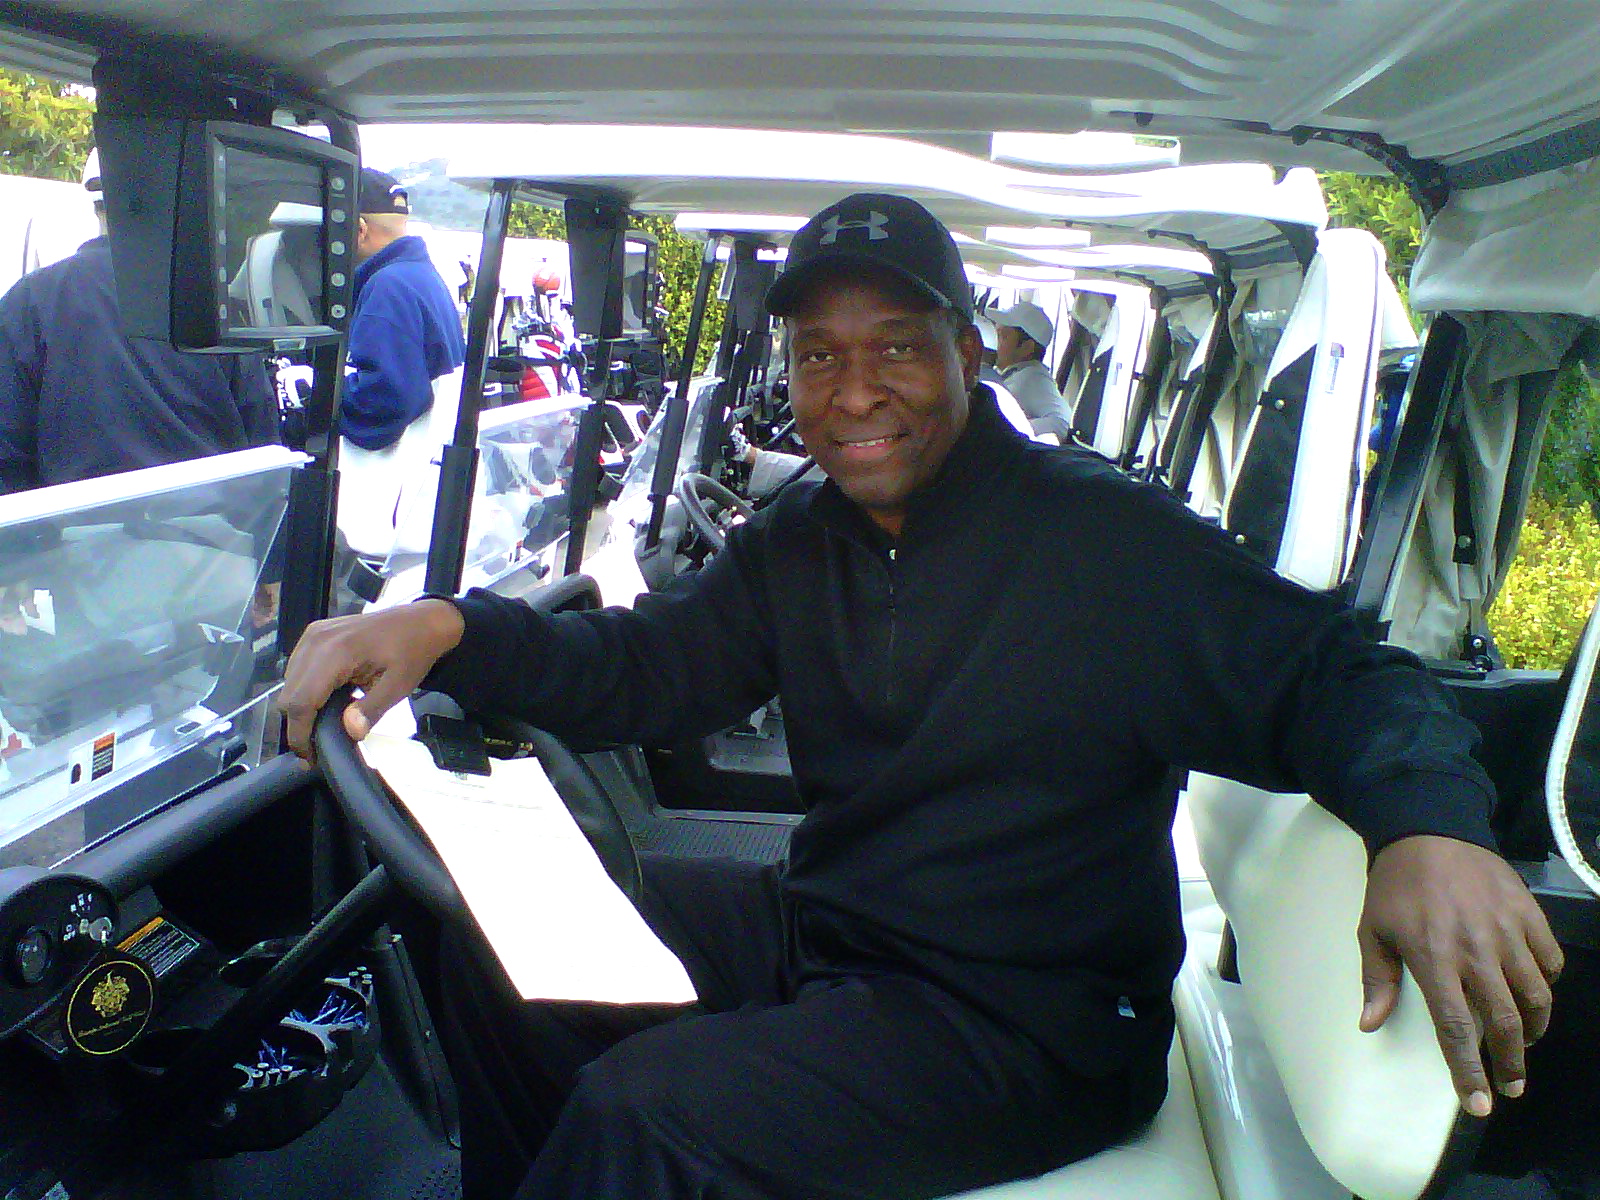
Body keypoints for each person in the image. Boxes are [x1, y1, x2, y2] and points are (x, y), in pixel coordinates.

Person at [281, 192, 1562, 1200]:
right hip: (842, 931)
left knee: (647, 1111)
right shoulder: (803, 539)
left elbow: (1337, 673)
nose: (852, 392)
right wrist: (448, 628)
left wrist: (1427, 825)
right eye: (819, 352)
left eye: (895, 345)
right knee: (509, 941)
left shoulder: (1107, 545)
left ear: (968, 346)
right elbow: (645, 671)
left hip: (1029, 1019)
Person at [0, 151, 279, 493]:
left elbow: (9, 449)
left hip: (78, 536)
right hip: (207, 532)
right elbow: (262, 441)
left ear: (95, 205)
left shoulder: (29, 300)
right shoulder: (208, 299)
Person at [335, 168, 467, 556]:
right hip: (424, 498)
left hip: (386, 513)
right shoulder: (423, 276)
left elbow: (388, 400)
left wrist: (322, 390)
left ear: (359, 229)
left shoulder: (386, 288)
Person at [992, 299, 1073, 441]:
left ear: (1027, 348)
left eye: (1003, 336)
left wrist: (1009, 428)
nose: (995, 342)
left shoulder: (1033, 378)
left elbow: (1062, 423)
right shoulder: (1017, 374)